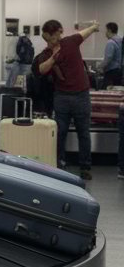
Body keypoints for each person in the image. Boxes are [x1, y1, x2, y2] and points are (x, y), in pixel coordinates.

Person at [33, 19, 98, 180]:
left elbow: (87, 32)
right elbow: (41, 69)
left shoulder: (71, 41)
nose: (48, 41)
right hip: (61, 97)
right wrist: (54, 57)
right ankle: (60, 164)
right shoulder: (46, 54)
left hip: (81, 95)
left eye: (50, 37)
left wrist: (94, 27)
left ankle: (85, 167)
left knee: (84, 132)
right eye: (46, 38)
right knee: (60, 133)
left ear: (58, 32)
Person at [102, 23, 122, 89]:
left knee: (107, 92)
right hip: (119, 71)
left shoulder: (110, 42)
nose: (105, 33)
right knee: (117, 91)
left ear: (109, 30)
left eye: (106, 30)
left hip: (111, 72)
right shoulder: (121, 40)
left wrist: (100, 67)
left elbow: (108, 58)